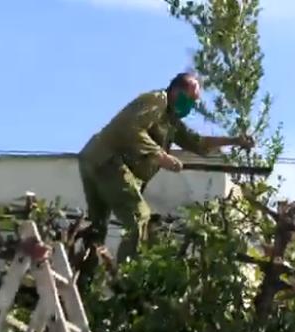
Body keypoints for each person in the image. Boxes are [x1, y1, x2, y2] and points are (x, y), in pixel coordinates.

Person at [78, 72, 253, 264]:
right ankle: (126, 281)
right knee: (139, 216)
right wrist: (161, 156)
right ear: (176, 91)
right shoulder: (157, 100)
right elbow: (130, 128)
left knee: (98, 228)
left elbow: (198, 143)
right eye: (190, 99)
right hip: (108, 161)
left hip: (95, 159)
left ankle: (83, 280)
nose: (191, 106)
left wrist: (234, 140)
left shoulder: (171, 120)